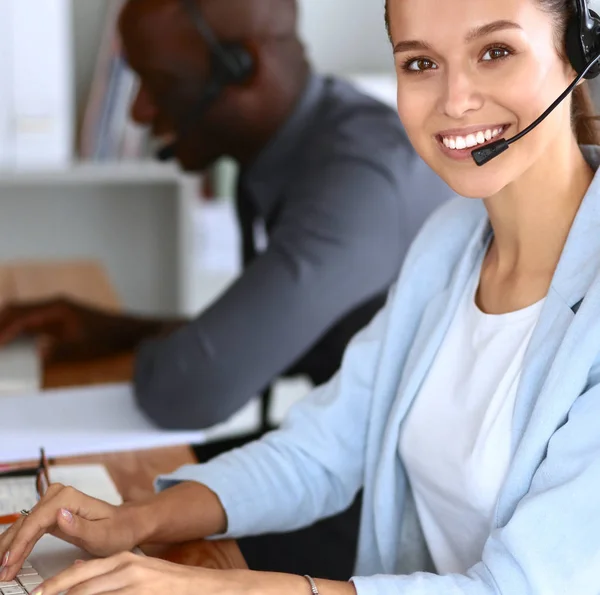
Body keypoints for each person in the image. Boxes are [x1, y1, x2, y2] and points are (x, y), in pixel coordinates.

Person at [6, 0, 600, 592]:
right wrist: (135, 519)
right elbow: (325, 446)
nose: (455, 99)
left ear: (578, 50)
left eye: (495, 52)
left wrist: (219, 588)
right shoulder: (450, 243)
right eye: (420, 63)